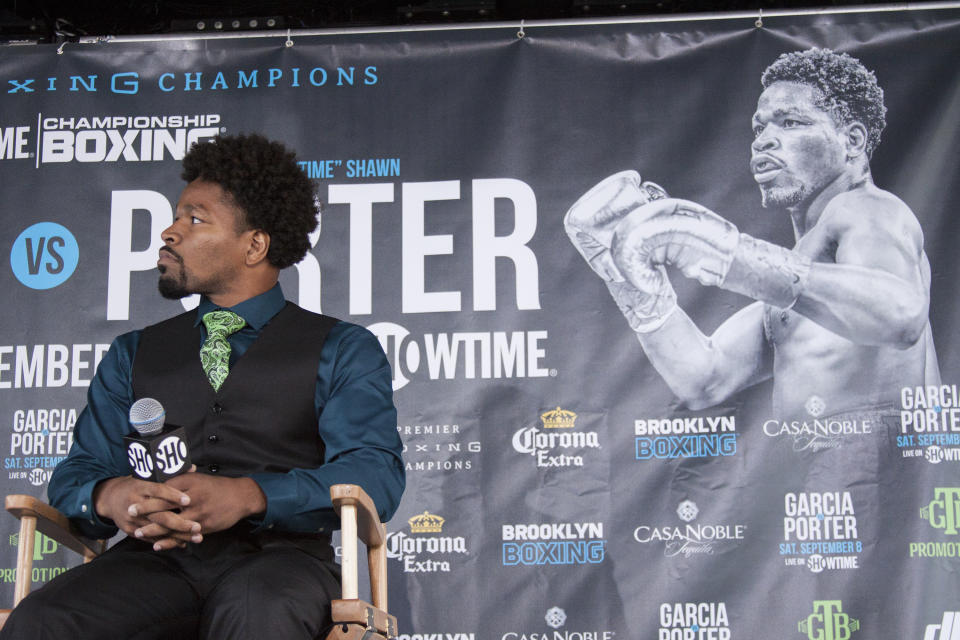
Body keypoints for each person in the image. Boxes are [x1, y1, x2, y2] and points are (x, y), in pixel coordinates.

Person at [1, 134, 405, 639]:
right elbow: (78, 472)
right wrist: (111, 494)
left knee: (258, 615)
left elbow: (374, 473)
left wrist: (252, 494)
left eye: (194, 219)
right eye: (175, 217)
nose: (170, 232)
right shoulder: (131, 353)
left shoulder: (343, 348)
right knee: (44, 621)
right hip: (153, 564)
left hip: (280, 563)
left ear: (254, 245)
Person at [565, 48, 939, 422]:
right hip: (815, 470)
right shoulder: (796, 294)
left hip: (883, 471)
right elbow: (704, 381)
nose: (763, 141)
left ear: (853, 141)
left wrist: (718, 250)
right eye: (760, 127)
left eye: (790, 122)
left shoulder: (866, 208)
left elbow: (901, 315)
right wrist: (633, 284)